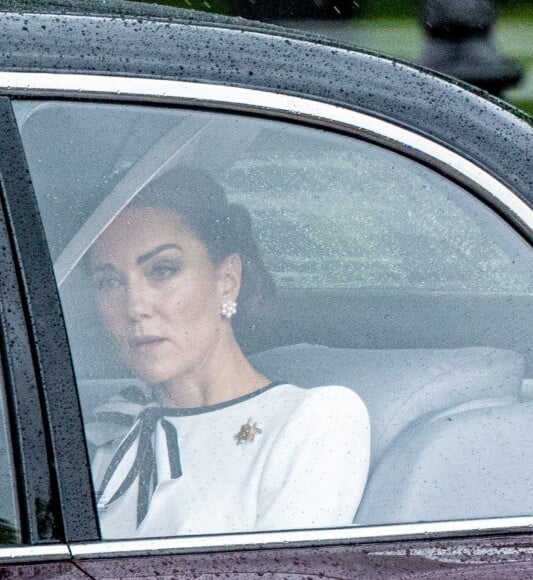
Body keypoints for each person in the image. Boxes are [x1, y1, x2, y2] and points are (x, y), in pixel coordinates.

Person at [87, 167, 370, 539]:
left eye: (163, 270)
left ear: (227, 280)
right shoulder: (110, 424)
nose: (134, 305)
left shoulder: (312, 419)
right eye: (110, 281)